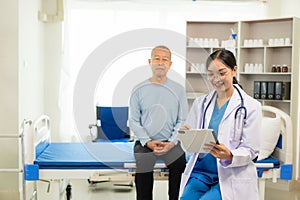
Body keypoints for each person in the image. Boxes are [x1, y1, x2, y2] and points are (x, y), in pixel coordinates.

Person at [179, 49, 262, 200]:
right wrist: (187, 138)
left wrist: (230, 155)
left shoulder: (250, 106)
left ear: (234, 70)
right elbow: (189, 146)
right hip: (201, 173)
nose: (216, 79)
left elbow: (251, 150)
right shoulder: (201, 103)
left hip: (231, 174)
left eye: (222, 73)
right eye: (211, 74)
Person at [129, 45, 188, 200]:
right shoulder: (138, 89)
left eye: (165, 59)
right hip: (145, 143)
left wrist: (172, 142)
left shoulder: (179, 90)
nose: (160, 62)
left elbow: (182, 120)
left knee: (179, 164)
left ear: (170, 64)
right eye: (157, 58)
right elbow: (134, 121)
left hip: (171, 143)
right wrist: (148, 142)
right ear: (150, 62)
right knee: (143, 164)